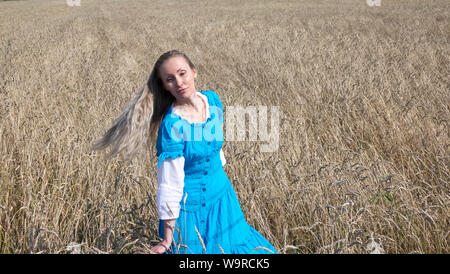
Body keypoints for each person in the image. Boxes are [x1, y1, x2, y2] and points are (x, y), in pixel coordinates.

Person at [92, 50, 277, 254]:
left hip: (224, 202)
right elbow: (170, 184)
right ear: (164, 86)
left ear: (194, 72)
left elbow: (216, 148)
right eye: (170, 79)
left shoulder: (213, 101)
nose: (179, 82)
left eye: (182, 73)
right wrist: (167, 239)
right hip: (190, 213)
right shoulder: (172, 126)